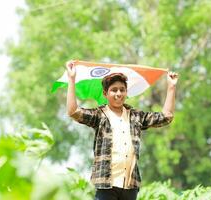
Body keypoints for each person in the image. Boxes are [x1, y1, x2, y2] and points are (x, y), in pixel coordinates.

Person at [65, 60, 178, 200]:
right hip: (106, 185)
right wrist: (71, 79)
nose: (118, 93)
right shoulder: (99, 116)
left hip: (130, 185)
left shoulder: (135, 116)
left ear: (126, 92)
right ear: (105, 94)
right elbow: (73, 111)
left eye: (122, 89)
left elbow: (166, 117)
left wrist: (171, 87)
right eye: (114, 90)